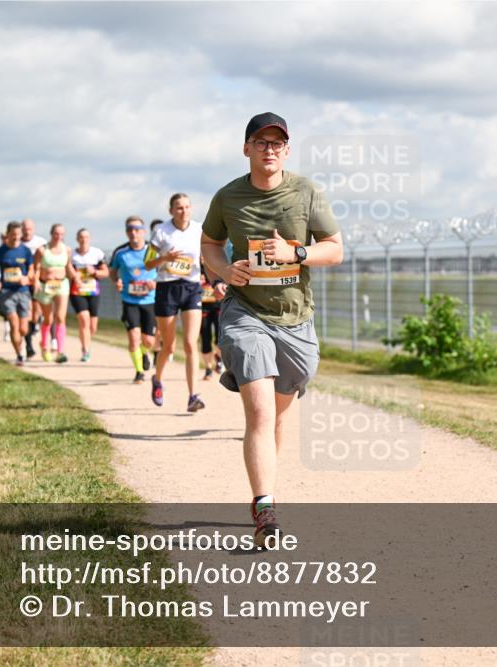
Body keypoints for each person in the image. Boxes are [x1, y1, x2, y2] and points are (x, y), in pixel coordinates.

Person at [200, 112, 344, 546]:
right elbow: (208, 244)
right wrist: (226, 270)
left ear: (286, 149)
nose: (269, 149)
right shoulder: (228, 197)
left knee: (279, 413)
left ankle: (268, 490)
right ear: (246, 148)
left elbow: (334, 250)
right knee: (260, 412)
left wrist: (294, 252)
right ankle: (265, 509)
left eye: (277, 143)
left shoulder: (307, 193)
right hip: (245, 314)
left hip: (296, 320)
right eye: (261, 142)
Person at [145, 193, 206, 412]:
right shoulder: (160, 231)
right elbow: (147, 263)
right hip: (167, 288)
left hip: (191, 288)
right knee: (168, 345)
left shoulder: (199, 229)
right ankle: (157, 379)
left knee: (191, 343)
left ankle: (193, 396)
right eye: (179, 208)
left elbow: (207, 254)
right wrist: (165, 258)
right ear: (171, 211)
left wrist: (206, 264)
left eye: (187, 207)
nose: (184, 211)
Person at [109, 216, 157, 383]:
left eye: (137, 229)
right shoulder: (120, 252)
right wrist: (117, 281)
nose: (133, 232)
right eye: (130, 229)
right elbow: (112, 271)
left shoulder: (153, 250)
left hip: (150, 300)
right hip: (130, 301)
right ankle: (139, 372)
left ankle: (144, 353)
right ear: (126, 232)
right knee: (134, 337)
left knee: (149, 341)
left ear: (143, 231)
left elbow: (165, 270)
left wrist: (155, 283)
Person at [0, 221, 35, 366]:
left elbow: (31, 269)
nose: (16, 237)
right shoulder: (0, 251)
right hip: (6, 292)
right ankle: (19, 354)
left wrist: (27, 277)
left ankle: (21, 343)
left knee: (24, 328)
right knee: (13, 323)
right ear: (8, 234)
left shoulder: (25, 251)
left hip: (23, 291)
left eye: (18, 234)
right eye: (13, 234)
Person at [32, 223, 73, 363]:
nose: (58, 237)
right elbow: (35, 267)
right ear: (51, 234)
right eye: (56, 234)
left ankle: (60, 351)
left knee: (60, 317)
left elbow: (69, 267)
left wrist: (77, 278)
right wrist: (36, 280)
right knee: (48, 318)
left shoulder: (67, 250)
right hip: (46, 285)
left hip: (62, 284)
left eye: (61, 234)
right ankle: (45, 345)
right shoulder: (42, 250)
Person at [70, 228, 108, 362]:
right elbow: (67, 272)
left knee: (92, 327)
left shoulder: (97, 253)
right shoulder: (72, 255)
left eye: (86, 237)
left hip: (93, 291)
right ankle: (85, 350)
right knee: (83, 320)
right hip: (77, 291)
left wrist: (95, 272)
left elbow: (106, 273)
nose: (83, 239)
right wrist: (75, 276)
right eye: (81, 237)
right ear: (77, 239)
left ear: (89, 239)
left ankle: (87, 342)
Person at [21, 218, 47, 358]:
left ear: (34, 229)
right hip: (22, 283)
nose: (27, 231)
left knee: (36, 312)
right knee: (28, 313)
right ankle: (29, 345)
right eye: (24, 228)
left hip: (38, 281)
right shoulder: (17, 243)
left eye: (29, 229)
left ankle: (37, 324)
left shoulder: (41, 243)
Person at [199, 264, 227, 381]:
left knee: (221, 338)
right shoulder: (195, 268)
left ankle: (219, 357)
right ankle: (208, 369)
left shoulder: (218, 264)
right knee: (205, 338)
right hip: (202, 308)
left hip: (218, 306)